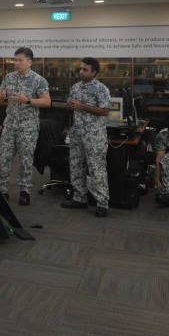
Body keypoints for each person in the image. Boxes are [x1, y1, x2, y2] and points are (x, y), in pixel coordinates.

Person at [0, 47, 50, 205]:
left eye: (20, 60)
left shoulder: (39, 80)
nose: (16, 63)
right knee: (4, 158)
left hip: (28, 128)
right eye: (15, 60)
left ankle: (24, 190)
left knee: (26, 160)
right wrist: (1, 96)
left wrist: (28, 100)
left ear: (29, 62)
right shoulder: (9, 77)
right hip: (10, 125)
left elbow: (47, 102)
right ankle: (2, 190)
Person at [60, 57, 111, 217]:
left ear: (94, 72)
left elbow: (105, 110)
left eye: (85, 69)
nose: (81, 71)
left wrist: (82, 106)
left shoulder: (101, 88)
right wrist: (70, 106)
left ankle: (102, 203)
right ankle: (79, 198)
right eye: (80, 69)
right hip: (76, 133)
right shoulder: (75, 87)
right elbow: (70, 105)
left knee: (97, 169)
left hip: (94, 135)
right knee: (76, 166)